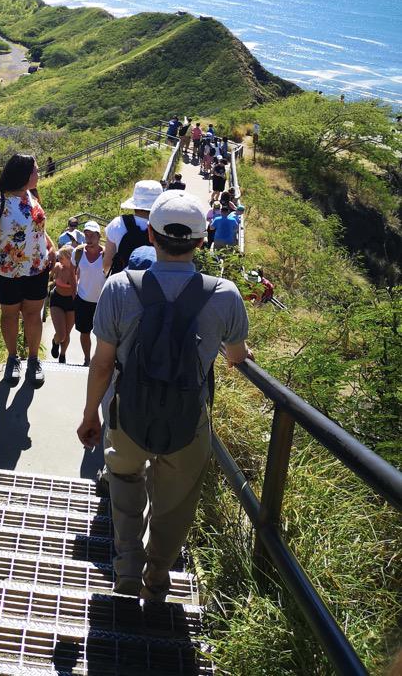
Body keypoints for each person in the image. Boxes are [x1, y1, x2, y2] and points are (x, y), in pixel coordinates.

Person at [77, 190, 252, 600]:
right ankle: (157, 576)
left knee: (124, 480)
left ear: (151, 236)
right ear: (201, 240)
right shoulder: (225, 294)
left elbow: (102, 363)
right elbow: (236, 356)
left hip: (128, 413)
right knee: (175, 502)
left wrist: (90, 415)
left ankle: (127, 565)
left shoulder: (119, 287)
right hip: (189, 420)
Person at [0, 154, 54, 387]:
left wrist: (50, 244)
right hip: (6, 271)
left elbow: (35, 226)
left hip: (37, 268)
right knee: (10, 314)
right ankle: (12, 358)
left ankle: (34, 360)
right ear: (23, 174)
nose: (39, 174)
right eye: (35, 171)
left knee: (32, 314)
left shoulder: (31, 194)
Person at [103, 180, 162, 275]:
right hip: (157, 283)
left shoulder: (117, 224)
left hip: (124, 283)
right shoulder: (164, 225)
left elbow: (107, 264)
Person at [73, 222, 105, 366]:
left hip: (102, 301)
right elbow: (72, 272)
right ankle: (87, 359)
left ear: (99, 236)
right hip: (83, 298)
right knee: (84, 332)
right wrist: (74, 293)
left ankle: (99, 360)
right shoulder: (78, 252)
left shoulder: (107, 254)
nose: (89, 238)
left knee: (103, 335)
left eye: (92, 235)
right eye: (86, 235)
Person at [48, 244, 76, 363]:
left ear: (70, 257)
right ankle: (55, 341)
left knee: (67, 333)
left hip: (71, 302)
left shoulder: (77, 270)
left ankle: (63, 355)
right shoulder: (58, 267)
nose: (60, 259)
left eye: (62, 257)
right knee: (61, 334)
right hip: (57, 299)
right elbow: (48, 278)